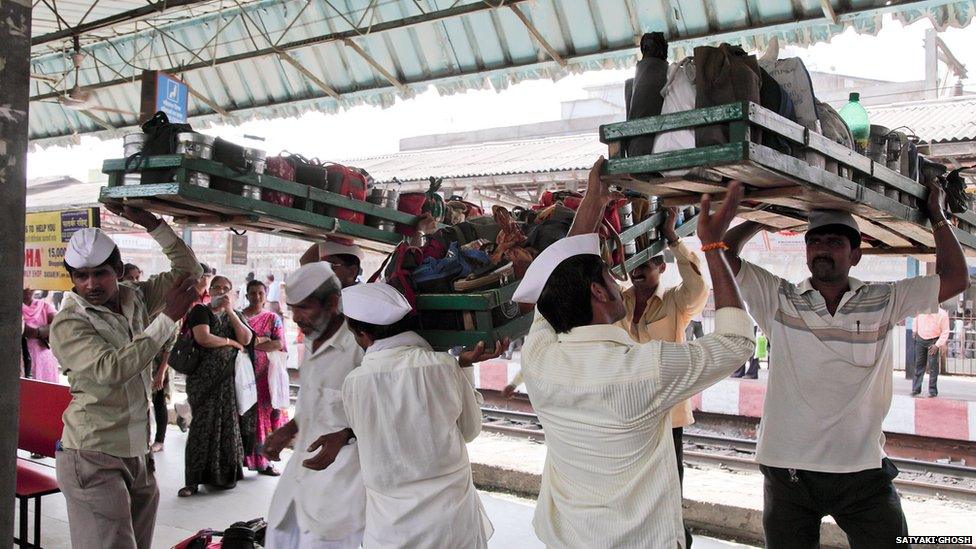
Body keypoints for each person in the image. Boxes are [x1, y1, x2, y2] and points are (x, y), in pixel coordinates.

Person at [511, 158, 755, 548]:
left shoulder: (540, 357)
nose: (619, 277)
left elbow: (562, 272)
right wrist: (713, 245)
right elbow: (737, 343)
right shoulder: (646, 368)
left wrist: (594, 197)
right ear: (598, 292)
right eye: (610, 275)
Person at [720, 177, 969, 548]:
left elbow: (956, 278)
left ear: (855, 255)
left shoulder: (885, 299)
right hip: (789, 470)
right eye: (815, 241)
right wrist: (768, 215)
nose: (822, 249)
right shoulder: (779, 298)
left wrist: (936, 216)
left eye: (834, 242)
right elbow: (721, 252)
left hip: (862, 472)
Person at [49, 204, 201, 549]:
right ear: (71, 278)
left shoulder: (136, 297)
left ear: (117, 270)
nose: (91, 284)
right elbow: (110, 370)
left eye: (100, 273)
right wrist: (168, 319)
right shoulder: (70, 322)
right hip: (92, 454)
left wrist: (151, 223)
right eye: (81, 276)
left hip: (137, 452)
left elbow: (189, 271)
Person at [339, 283, 502, 548]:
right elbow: (470, 431)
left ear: (363, 334)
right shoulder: (444, 367)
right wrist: (463, 368)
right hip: (452, 527)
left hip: (389, 533)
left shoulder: (354, 384)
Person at [616, 205, 709, 549]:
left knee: (669, 487)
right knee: (631, 487)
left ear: (660, 267)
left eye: (647, 264)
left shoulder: (674, 303)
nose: (639, 271)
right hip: (628, 413)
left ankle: (674, 540)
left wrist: (673, 240)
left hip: (668, 416)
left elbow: (698, 288)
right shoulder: (616, 303)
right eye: (634, 264)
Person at [262, 263, 366, 549]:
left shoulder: (359, 347)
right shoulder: (311, 340)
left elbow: (384, 415)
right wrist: (288, 430)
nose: (296, 317)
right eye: (292, 308)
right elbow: (314, 404)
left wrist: (346, 434)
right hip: (297, 484)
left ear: (332, 303)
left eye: (304, 308)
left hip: (339, 490)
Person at [180, 275, 254, 497]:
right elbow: (203, 338)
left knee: (227, 427)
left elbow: (247, 338)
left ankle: (223, 476)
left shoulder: (236, 315)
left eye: (226, 288)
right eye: (217, 288)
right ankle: (192, 481)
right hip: (203, 381)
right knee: (202, 428)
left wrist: (230, 312)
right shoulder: (200, 312)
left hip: (227, 383)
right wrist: (231, 342)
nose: (221, 292)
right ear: (209, 291)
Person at [241, 279, 289, 476]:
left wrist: (253, 344)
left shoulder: (272, 318)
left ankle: (266, 461)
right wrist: (262, 341)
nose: (257, 297)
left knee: (266, 418)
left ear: (266, 294)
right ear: (247, 296)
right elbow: (239, 343)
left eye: (261, 293)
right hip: (243, 377)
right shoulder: (240, 318)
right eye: (253, 293)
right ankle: (241, 461)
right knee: (243, 417)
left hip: (265, 379)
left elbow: (279, 344)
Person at [22, 287, 60, 383]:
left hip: (43, 355)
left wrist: (37, 332)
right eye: (23, 287)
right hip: (22, 356)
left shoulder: (44, 306)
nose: (27, 290)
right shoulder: (10, 307)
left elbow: (57, 325)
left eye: (31, 287)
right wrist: (42, 331)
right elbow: (23, 330)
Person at [913, 307, 950, 397]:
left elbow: (945, 331)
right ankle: (916, 389)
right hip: (920, 338)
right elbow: (915, 319)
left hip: (933, 340)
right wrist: (914, 331)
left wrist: (937, 345)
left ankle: (932, 390)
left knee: (933, 365)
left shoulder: (942, 314)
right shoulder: (920, 310)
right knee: (919, 364)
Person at [300, 238, 365, 288]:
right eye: (322, 267)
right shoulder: (325, 295)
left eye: (331, 266)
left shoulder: (362, 298)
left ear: (351, 271)